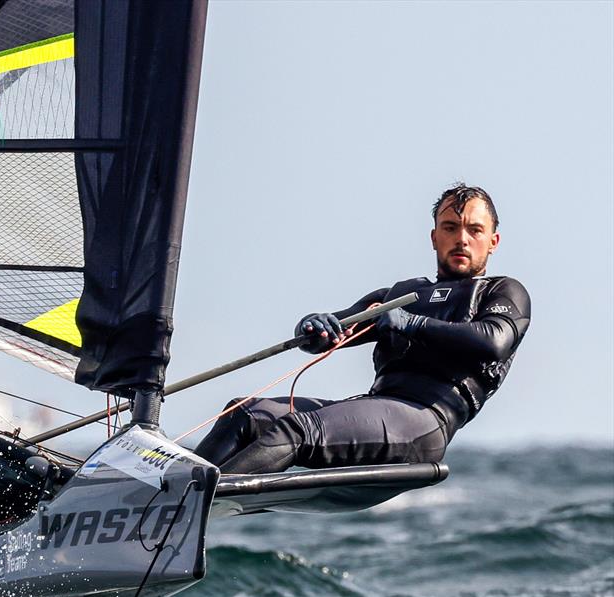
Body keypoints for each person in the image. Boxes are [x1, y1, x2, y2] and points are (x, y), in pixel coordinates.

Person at [195, 183, 531, 474]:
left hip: (425, 420)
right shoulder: (400, 295)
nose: (462, 239)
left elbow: (494, 341)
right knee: (245, 413)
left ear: (493, 241)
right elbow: (327, 336)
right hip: (376, 407)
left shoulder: (502, 291)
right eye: (449, 228)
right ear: (434, 237)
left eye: (474, 230)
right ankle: (163, 499)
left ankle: (188, 510)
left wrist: (412, 324)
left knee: (297, 430)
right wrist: (314, 325)